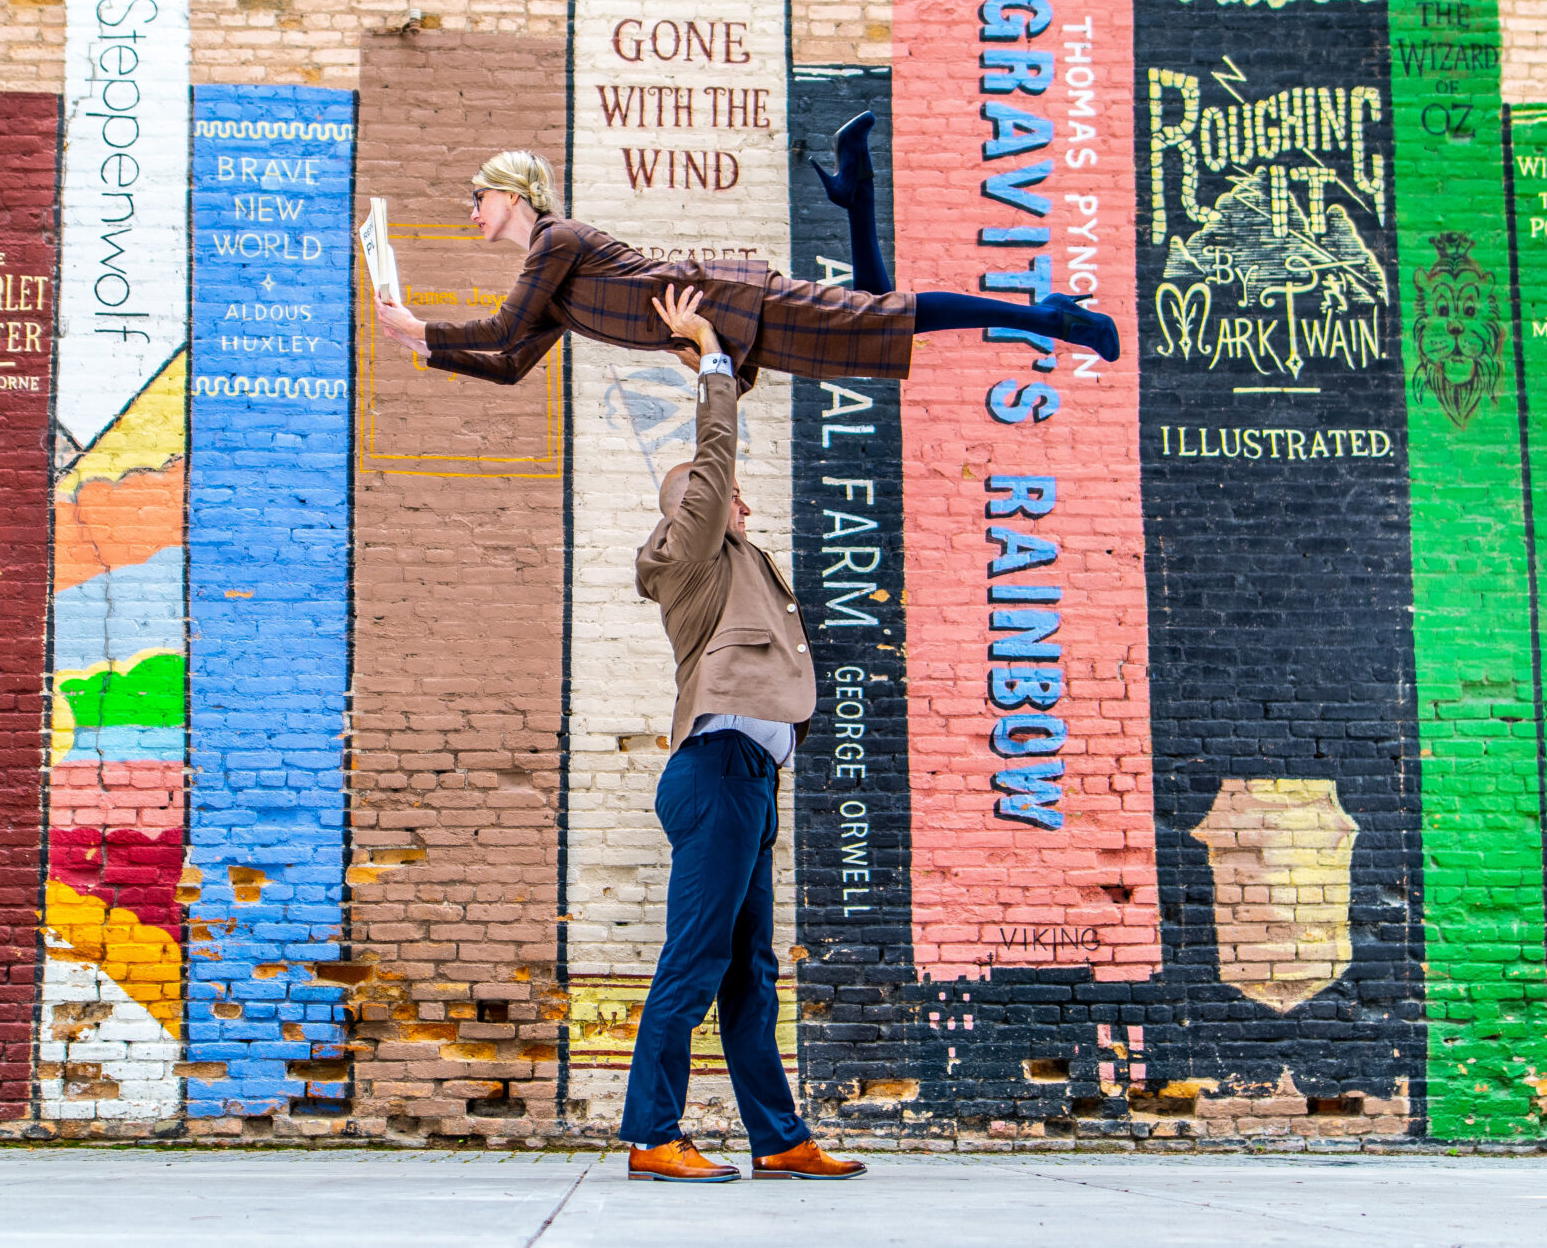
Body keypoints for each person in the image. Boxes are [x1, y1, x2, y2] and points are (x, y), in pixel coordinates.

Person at [619, 284, 867, 1185]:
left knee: (748, 972)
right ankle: (651, 1133)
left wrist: (729, 372)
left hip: (751, 777)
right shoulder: (689, 554)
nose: (740, 501)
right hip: (717, 768)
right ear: (694, 506)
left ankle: (777, 1137)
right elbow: (714, 458)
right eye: (720, 495)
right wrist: (712, 359)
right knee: (695, 959)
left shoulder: (737, 560)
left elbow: (726, 462)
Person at [371, 121, 1119, 389]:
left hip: (734, 303)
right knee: (871, 326)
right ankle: (855, 193)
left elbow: (504, 329)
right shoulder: (558, 284)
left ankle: (1044, 316)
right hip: (731, 327)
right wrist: (421, 346)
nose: (473, 213)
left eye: (478, 197)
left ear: (514, 194)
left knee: (880, 320)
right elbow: (510, 363)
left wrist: (421, 326)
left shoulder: (556, 240)